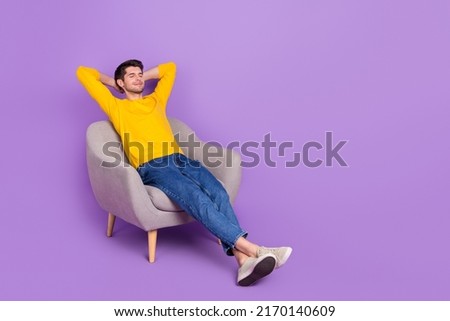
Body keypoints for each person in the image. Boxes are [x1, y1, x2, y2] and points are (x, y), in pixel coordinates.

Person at [76, 59, 292, 286]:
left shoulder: (156, 101)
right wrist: (113, 83)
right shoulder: (116, 106)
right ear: (121, 81)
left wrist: (140, 77)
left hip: (180, 159)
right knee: (195, 196)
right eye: (132, 75)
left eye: (140, 74)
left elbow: (170, 68)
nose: (139, 78)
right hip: (152, 166)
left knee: (218, 191)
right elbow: (83, 73)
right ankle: (256, 249)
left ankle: (242, 261)